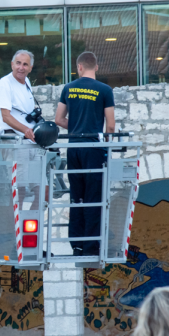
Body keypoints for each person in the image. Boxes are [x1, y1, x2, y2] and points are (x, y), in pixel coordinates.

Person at [55, 51, 115, 256]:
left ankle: (77, 244)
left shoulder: (68, 88)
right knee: (93, 198)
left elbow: (58, 119)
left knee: (76, 197)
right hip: (93, 149)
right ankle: (91, 246)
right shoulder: (105, 90)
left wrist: (75, 128)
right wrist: (105, 142)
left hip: (73, 149)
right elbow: (112, 125)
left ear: (79, 67)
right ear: (96, 67)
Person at [0, 50, 37, 142]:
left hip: (27, 137)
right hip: (12, 137)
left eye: (25, 64)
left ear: (30, 68)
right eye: (18, 63)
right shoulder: (5, 83)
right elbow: (6, 117)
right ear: (12, 64)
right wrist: (26, 130)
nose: (21, 67)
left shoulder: (27, 82)